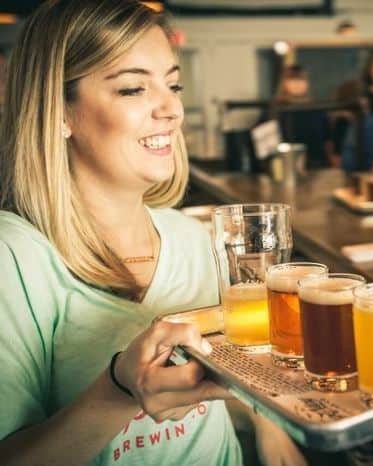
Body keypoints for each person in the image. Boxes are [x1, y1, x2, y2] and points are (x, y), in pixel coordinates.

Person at [0, 1, 306, 466]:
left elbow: (223, 373)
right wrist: (120, 391)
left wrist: (267, 420)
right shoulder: (14, 257)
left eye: (174, 84)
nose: (173, 109)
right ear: (59, 112)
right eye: (133, 88)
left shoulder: (193, 238)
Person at [267, 64, 332, 169]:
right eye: (293, 80)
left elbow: (327, 139)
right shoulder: (275, 109)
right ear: (284, 83)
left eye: (301, 80)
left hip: (315, 163)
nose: (297, 84)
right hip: (284, 163)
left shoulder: (316, 109)